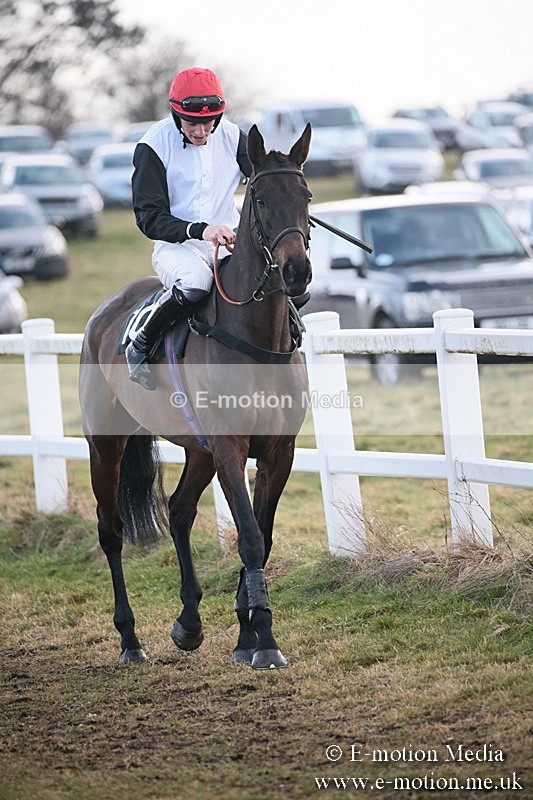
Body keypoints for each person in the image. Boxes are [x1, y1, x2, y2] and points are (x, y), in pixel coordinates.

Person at [125, 66, 253, 390]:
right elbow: (149, 218)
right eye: (192, 122)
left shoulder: (235, 137)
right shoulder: (153, 145)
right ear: (175, 113)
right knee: (197, 282)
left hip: (229, 243)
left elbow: (264, 175)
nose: (201, 131)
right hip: (176, 249)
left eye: (208, 122)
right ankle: (141, 341)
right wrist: (201, 230)